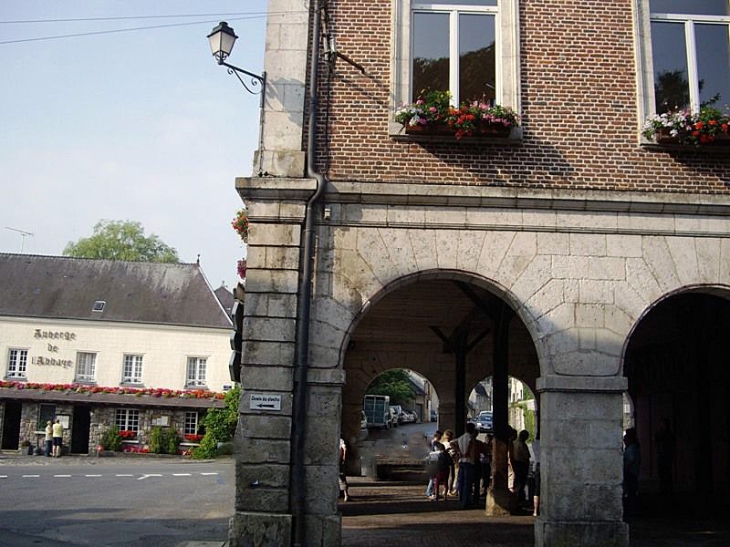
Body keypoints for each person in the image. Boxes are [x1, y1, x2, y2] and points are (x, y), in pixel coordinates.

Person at [455, 422, 477, 508]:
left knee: (461, 482)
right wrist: (466, 452)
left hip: (461, 461)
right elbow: (471, 444)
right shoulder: (471, 438)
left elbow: (452, 443)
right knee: (468, 483)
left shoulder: (460, 438)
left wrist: (459, 451)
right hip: (469, 461)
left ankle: (461, 499)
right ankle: (466, 501)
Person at [623, 427, 641, 518]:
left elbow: (631, 460)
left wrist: (626, 469)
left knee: (631, 493)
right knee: (632, 493)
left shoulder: (631, 448)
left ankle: (632, 511)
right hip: (633, 472)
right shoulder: (633, 447)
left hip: (631, 473)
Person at [512, 430, 531, 511]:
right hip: (521, 465)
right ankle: (519, 502)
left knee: (517, 483)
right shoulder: (522, 445)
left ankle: (516, 501)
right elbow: (526, 456)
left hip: (515, 464)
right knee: (520, 484)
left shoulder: (514, 443)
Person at [655, 418, 675, 496]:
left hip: (665, 456)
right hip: (663, 456)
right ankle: (665, 490)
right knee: (664, 474)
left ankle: (666, 491)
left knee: (665, 474)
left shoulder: (666, 435)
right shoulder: (667, 434)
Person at [425, 430, 443, 498]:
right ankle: (429, 493)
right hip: (433, 462)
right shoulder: (435, 443)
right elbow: (434, 452)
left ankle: (433, 493)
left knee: (434, 478)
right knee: (433, 478)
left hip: (431, 461)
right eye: (440, 437)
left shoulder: (431, 442)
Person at [442, 429, 458, 496]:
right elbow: (454, 452)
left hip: (443, 461)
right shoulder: (451, 444)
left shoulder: (442, 443)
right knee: (451, 475)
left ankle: (444, 490)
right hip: (450, 460)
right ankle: (449, 490)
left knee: (445, 476)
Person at [531, 435, 541, 517]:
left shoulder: (534, 444)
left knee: (536, 489)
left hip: (537, 465)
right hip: (543, 464)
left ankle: (535, 510)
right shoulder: (543, 443)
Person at [339, 438, 350, 502]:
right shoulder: (340, 440)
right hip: (339, 460)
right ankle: (345, 495)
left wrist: (344, 457)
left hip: (339, 461)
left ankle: (345, 495)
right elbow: (344, 448)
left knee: (342, 478)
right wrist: (344, 457)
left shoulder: (339, 440)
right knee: (342, 479)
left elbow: (344, 448)